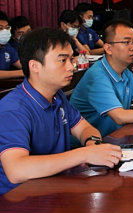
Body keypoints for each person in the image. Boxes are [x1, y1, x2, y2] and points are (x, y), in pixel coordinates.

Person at [0, 28, 123, 196]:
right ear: (34, 66)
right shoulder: (13, 109)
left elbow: (85, 129)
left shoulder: (56, 96)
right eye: (62, 60)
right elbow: (16, 170)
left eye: (71, 59)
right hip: (21, 200)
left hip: (55, 190)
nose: (71, 66)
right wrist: (83, 154)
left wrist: (92, 146)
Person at [0, 11, 23, 79]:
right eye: (0, 28)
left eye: (7, 28)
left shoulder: (7, 47)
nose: (4, 31)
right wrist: (21, 73)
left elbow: (20, 64)